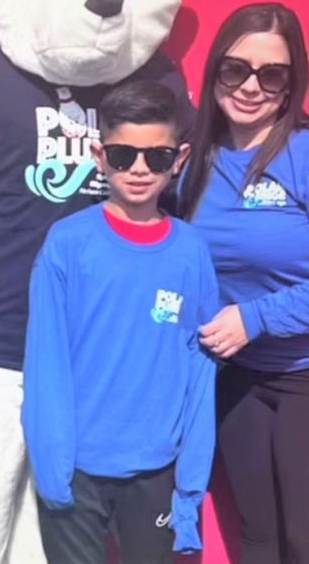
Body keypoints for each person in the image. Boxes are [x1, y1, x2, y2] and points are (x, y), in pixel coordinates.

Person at [23, 80, 217, 563]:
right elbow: (45, 363)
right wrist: (52, 469)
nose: (138, 169)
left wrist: (189, 489)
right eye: (123, 154)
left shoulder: (192, 252)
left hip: (157, 473)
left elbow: (200, 373)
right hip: (76, 472)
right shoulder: (67, 243)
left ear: (180, 158)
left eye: (156, 156)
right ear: (99, 155)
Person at [179, 2, 309, 564]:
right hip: (234, 376)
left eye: (272, 74)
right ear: (215, 71)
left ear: (291, 87)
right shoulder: (193, 160)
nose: (251, 87)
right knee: (255, 536)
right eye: (236, 69)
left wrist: (256, 317)